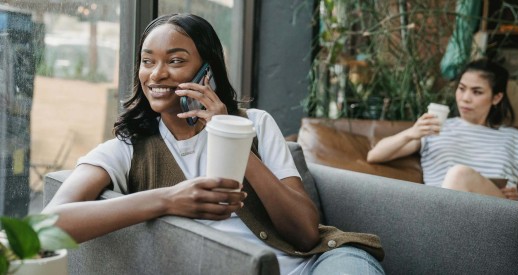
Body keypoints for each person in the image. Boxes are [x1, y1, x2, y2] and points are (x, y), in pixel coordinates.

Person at [43, 13, 384, 275]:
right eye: (148, 61)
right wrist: (168, 199)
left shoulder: (256, 124)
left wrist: (229, 134)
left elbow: (306, 234)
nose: (156, 74)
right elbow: (45, 227)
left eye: (175, 61)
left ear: (208, 71)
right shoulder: (126, 149)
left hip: (316, 264)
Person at [367, 59, 518, 204]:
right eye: (462, 88)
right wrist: (411, 133)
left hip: (498, 216)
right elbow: (374, 155)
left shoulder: (516, 139)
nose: (465, 98)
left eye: (477, 92)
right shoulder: (434, 129)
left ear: (496, 98)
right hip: (441, 211)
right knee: (459, 174)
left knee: (460, 174)